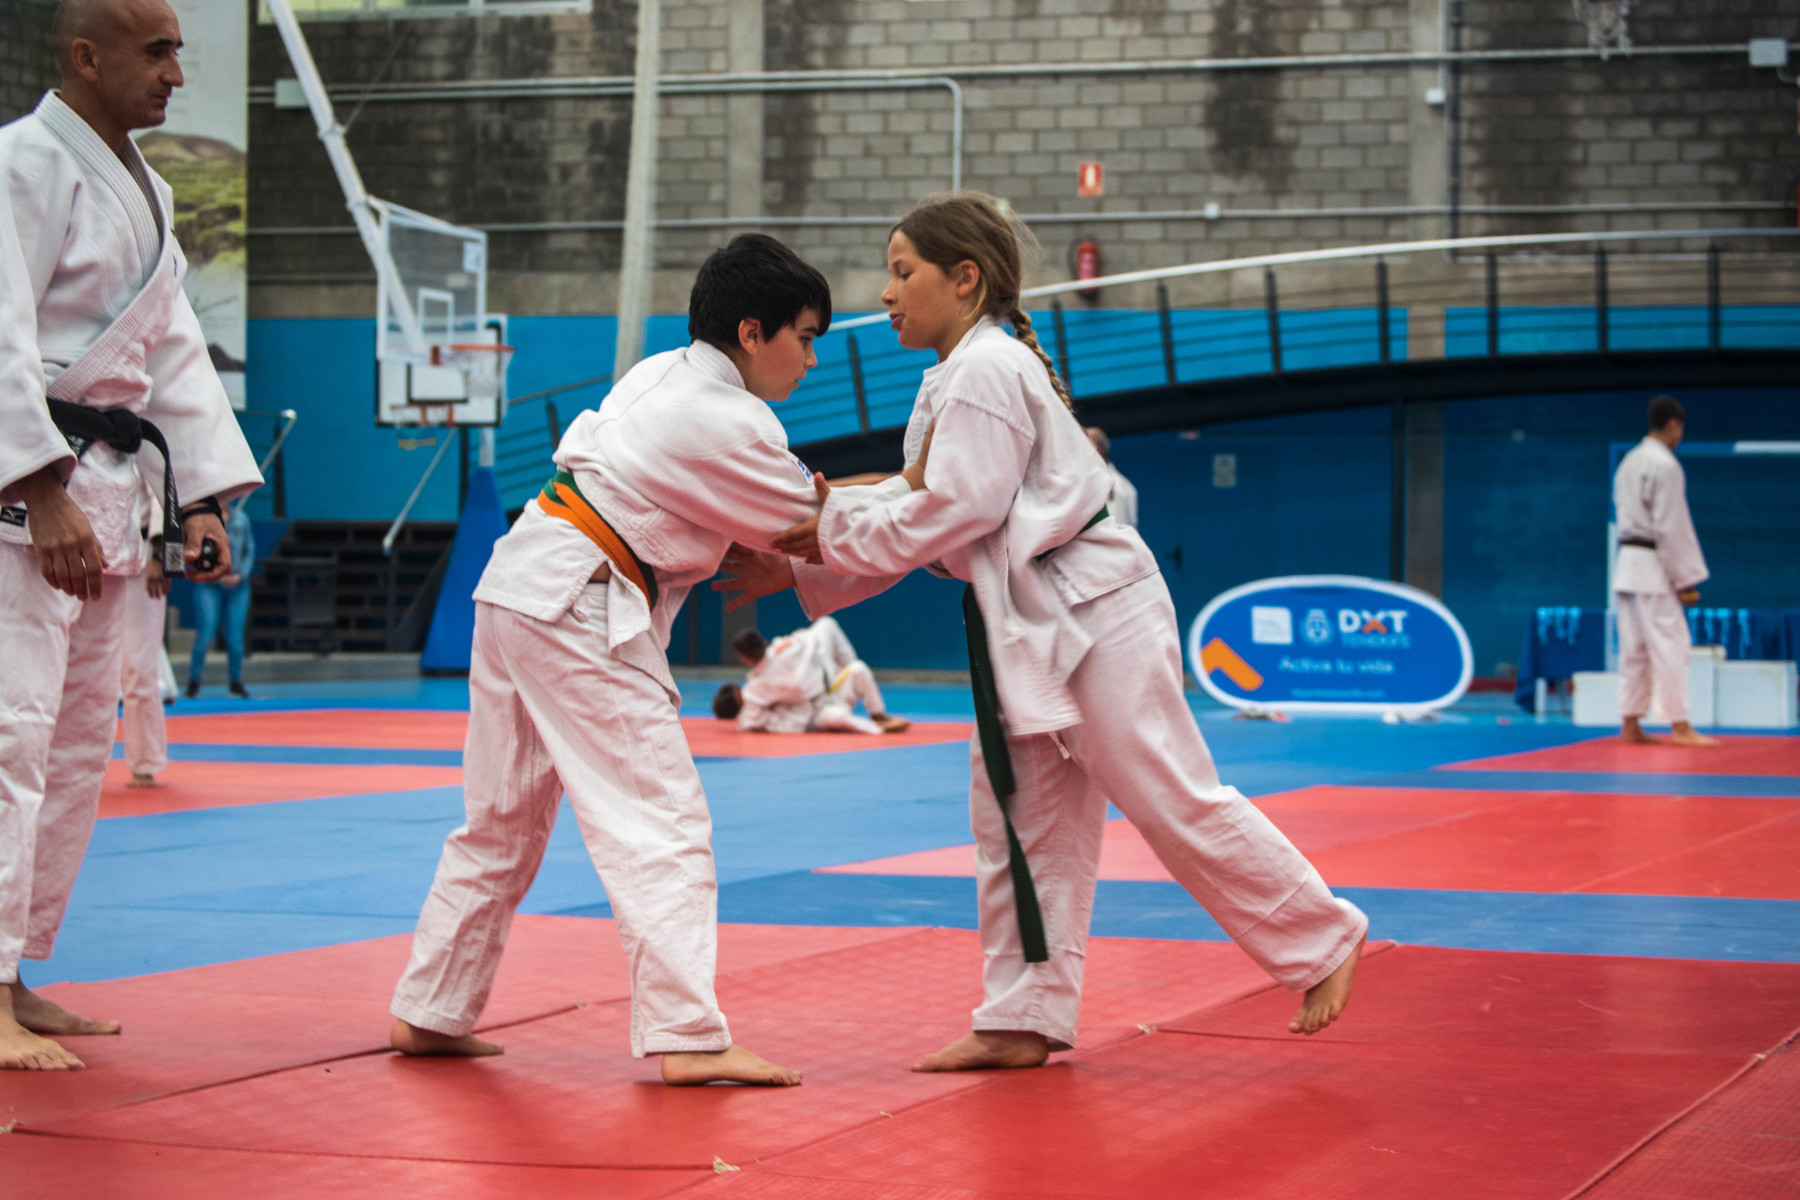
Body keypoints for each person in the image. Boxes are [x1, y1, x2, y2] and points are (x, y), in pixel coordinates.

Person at [725, 193, 1366, 1072]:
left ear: (965, 279)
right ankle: (1024, 1014)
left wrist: (824, 533)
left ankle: (1323, 937)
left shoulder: (989, 369)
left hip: (1090, 609)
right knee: (1020, 821)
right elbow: (926, 506)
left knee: (1167, 793)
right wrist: (798, 563)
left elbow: (955, 511)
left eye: (903, 272)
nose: (886, 293)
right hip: (1028, 614)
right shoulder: (957, 374)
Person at [388, 234, 850, 1088]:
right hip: (582, 605)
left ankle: (432, 1008)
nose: (813, 360)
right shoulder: (731, 419)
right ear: (753, 332)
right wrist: (943, 497)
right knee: (661, 821)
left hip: (521, 584)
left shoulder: (661, 372)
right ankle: (687, 1034)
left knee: (499, 820)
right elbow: (825, 524)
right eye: (806, 336)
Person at [0, 0, 261, 1071]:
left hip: (114, 490)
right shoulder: (21, 163)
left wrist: (201, 497)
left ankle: (15, 970)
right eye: (156, 53)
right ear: (86, 56)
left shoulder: (149, 191)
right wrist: (34, 482)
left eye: (179, 53)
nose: (175, 75)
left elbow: (176, 355)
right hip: (35, 491)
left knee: (71, 749)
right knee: (9, 736)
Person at [1613, 395, 1715, 747]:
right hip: (1653, 566)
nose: (1680, 435)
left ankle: (1630, 723)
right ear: (1673, 424)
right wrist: (1685, 581)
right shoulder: (1665, 464)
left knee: (1633, 647)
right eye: (1680, 429)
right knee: (1672, 644)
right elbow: (1671, 526)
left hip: (1626, 564)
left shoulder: (1629, 461)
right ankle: (1680, 725)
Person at [712, 618, 911, 735]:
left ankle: (878, 719)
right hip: (825, 695)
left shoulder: (758, 684)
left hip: (828, 688)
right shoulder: (778, 646)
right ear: (762, 642)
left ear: (744, 657)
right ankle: (878, 722)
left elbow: (749, 720)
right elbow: (803, 636)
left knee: (852, 665)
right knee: (828, 626)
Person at [119, 492, 172, 787]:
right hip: (87, 547)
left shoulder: (143, 443)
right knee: (77, 667)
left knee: (139, 666)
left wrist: (162, 557)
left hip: (141, 556)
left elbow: (163, 491)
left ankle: (144, 761)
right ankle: (65, 761)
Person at [184, 501, 254, 699]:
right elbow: (194, 550)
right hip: (209, 584)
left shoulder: (242, 519)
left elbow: (250, 550)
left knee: (235, 638)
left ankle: (236, 682)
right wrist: (213, 573)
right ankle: (194, 682)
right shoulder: (202, 519)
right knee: (205, 634)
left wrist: (241, 575)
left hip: (237, 586)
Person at [1083, 426, 1137, 528]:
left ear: (1096, 450)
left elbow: (1111, 528)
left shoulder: (1108, 484)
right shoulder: (1125, 485)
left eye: (1083, 449)